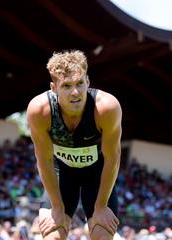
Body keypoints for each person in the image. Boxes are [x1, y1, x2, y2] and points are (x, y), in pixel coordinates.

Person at [27, 50, 122, 240]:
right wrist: (56, 207)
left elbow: (113, 158)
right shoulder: (40, 110)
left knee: (102, 234)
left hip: (97, 173)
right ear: (54, 88)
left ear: (88, 81)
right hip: (62, 172)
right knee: (52, 234)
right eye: (66, 86)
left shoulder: (106, 108)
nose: (75, 92)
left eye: (80, 83)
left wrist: (101, 206)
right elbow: (44, 160)